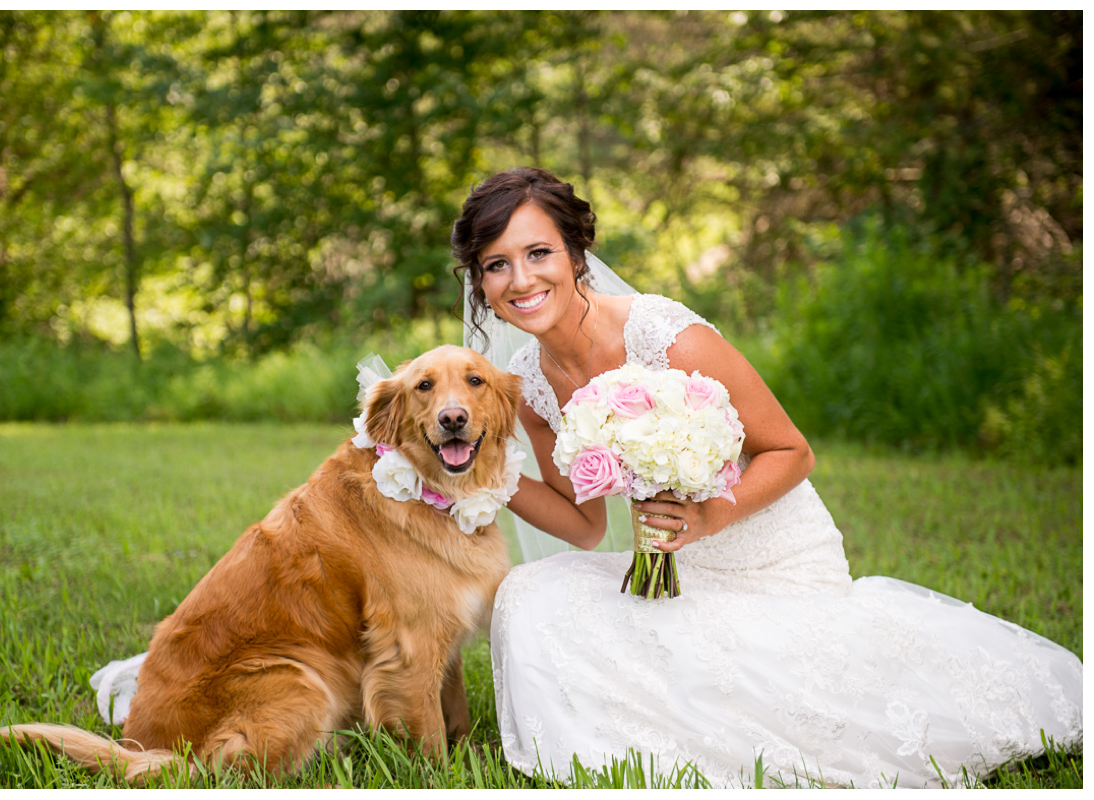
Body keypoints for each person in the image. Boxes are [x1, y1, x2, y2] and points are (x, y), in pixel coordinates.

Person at [451, 167, 1082, 788]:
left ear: (577, 255)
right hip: (678, 567)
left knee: (776, 688)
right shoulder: (530, 384)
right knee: (530, 592)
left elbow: (792, 451)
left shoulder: (666, 337)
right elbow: (586, 528)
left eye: (538, 253)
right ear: (480, 281)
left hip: (772, 557)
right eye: (497, 264)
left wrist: (706, 516)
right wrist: (484, 475)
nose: (521, 279)